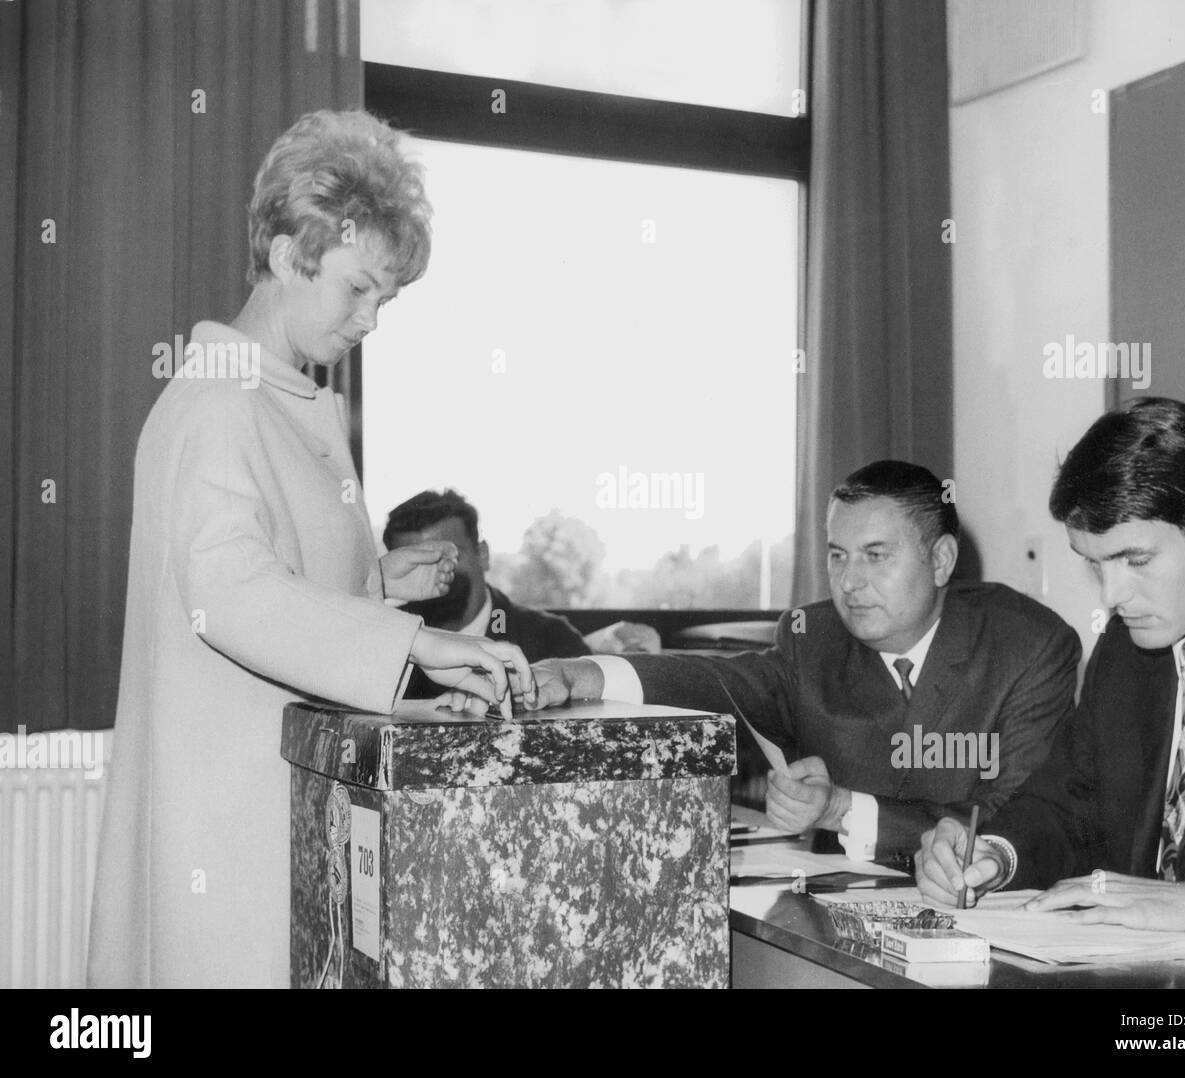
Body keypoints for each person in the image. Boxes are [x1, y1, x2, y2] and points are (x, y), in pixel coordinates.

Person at [88, 110, 535, 989]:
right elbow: (232, 594)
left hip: (272, 804)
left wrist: (378, 584)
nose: (372, 320)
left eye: (386, 300)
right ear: (292, 256)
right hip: (226, 823)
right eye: (359, 289)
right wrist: (417, 644)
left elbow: (277, 578)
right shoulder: (220, 400)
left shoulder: (278, 397)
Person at [526, 461, 1081, 864]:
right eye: (837, 556)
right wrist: (586, 672)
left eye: (875, 556)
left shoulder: (1028, 646)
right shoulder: (813, 637)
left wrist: (842, 810)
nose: (849, 582)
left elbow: (1015, 818)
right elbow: (722, 679)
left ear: (940, 560)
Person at [916, 398, 1185, 944]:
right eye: (1094, 563)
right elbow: (1070, 804)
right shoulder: (1127, 649)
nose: (1112, 595)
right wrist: (992, 855)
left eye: (1136, 561)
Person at [383, 489, 662, 701]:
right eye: (415, 562)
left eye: (448, 555)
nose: (432, 573)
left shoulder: (552, 639)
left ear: (483, 555)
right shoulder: (382, 641)